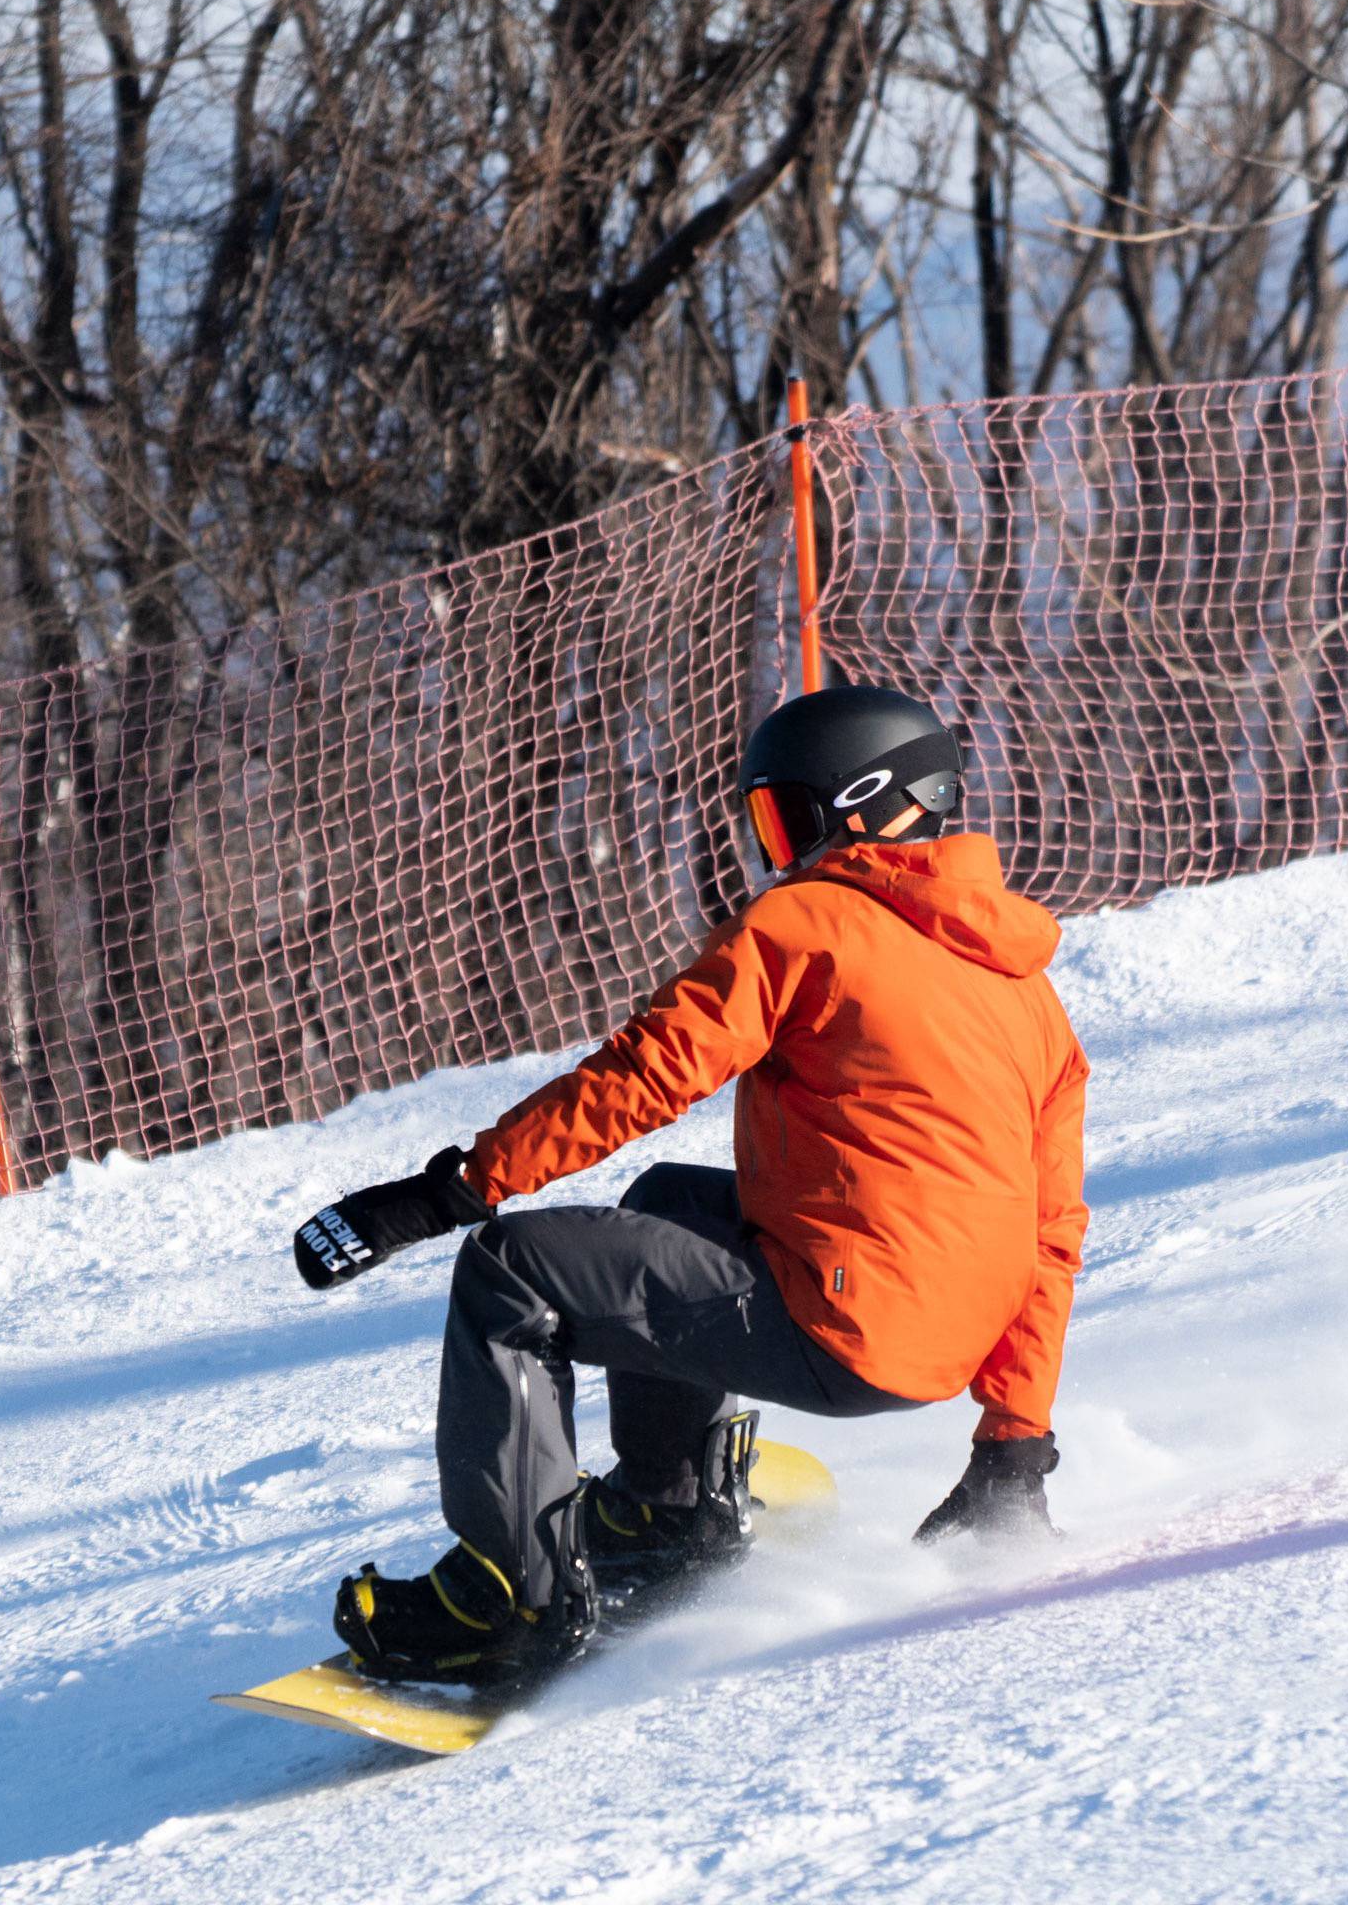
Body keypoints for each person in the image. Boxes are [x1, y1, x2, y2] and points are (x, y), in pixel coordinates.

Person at [291, 685, 1090, 1683]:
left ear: (862, 803)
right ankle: (666, 1508)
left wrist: (455, 1191)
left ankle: (515, 1594)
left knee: (512, 1270)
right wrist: (1014, 1441)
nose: (778, 845)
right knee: (670, 1198)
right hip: (947, 1334)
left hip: (845, 1328)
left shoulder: (812, 921)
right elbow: (1052, 1227)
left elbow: (647, 1071)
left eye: (786, 814)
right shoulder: (1026, 987)